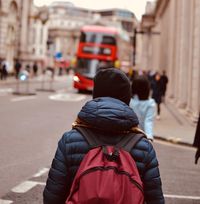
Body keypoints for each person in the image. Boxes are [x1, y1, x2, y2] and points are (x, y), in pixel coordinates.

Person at [43, 68, 164, 204]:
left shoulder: (70, 140)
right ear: (126, 98)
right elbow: (156, 199)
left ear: (96, 95)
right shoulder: (144, 147)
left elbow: (52, 196)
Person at [130, 75, 156, 141]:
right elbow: (148, 120)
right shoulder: (150, 103)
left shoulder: (129, 100)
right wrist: (149, 136)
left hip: (127, 136)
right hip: (141, 137)